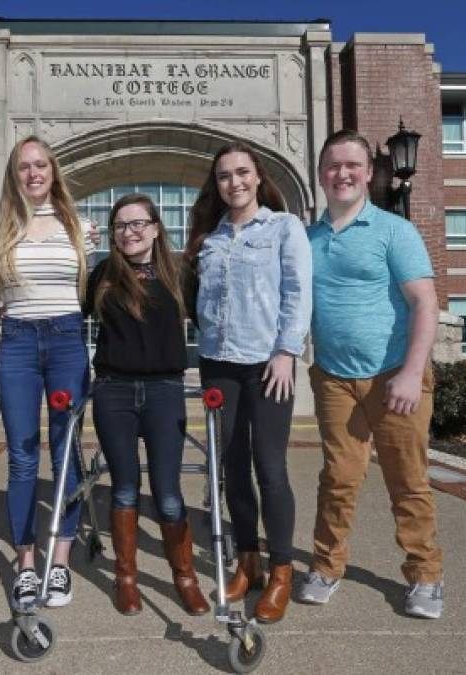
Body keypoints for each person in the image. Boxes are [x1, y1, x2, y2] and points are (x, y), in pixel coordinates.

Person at [297, 129, 444, 619]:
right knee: (338, 478)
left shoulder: (394, 230)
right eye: (333, 166)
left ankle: (425, 576)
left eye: (352, 165)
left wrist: (411, 372)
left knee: (408, 481)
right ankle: (326, 566)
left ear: (369, 172)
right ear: (321, 176)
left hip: (395, 375)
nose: (342, 174)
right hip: (335, 378)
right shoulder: (308, 238)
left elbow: (425, 302)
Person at [184, 141, 312, 624]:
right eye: (224, 176)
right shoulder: (210, 239)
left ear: (258, 177)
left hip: (268, 364)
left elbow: (298, 292)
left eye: (242, 173)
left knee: (270, 467)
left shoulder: (284, 227)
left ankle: (282, 570)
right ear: (216, 185)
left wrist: (286, 351)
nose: (233, 182)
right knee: (232, 469)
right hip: (219, 362)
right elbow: (195, 302)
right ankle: (248, 560)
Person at [0, 135, 94, 610]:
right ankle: (26, 562)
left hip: (66, 341)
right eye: (24, 166)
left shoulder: (79, 225)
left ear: (53, 170)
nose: (33, 173)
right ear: (14, 174)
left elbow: (101, 289)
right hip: (18, 344)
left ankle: (59, 560)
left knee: (67, 452)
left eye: (41, 164)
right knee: (22, 454)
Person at [85, 193, 209, 616]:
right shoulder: (103, 273)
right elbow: (70, 312)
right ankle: (127, 578)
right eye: (121, 225)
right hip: (113, 391)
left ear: (157, 227)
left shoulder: (180, 274)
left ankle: (185, 578)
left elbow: (212, 319)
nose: (130, 232)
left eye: (138, 223)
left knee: (169, 493)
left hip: (164, 392)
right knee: (123, 489)